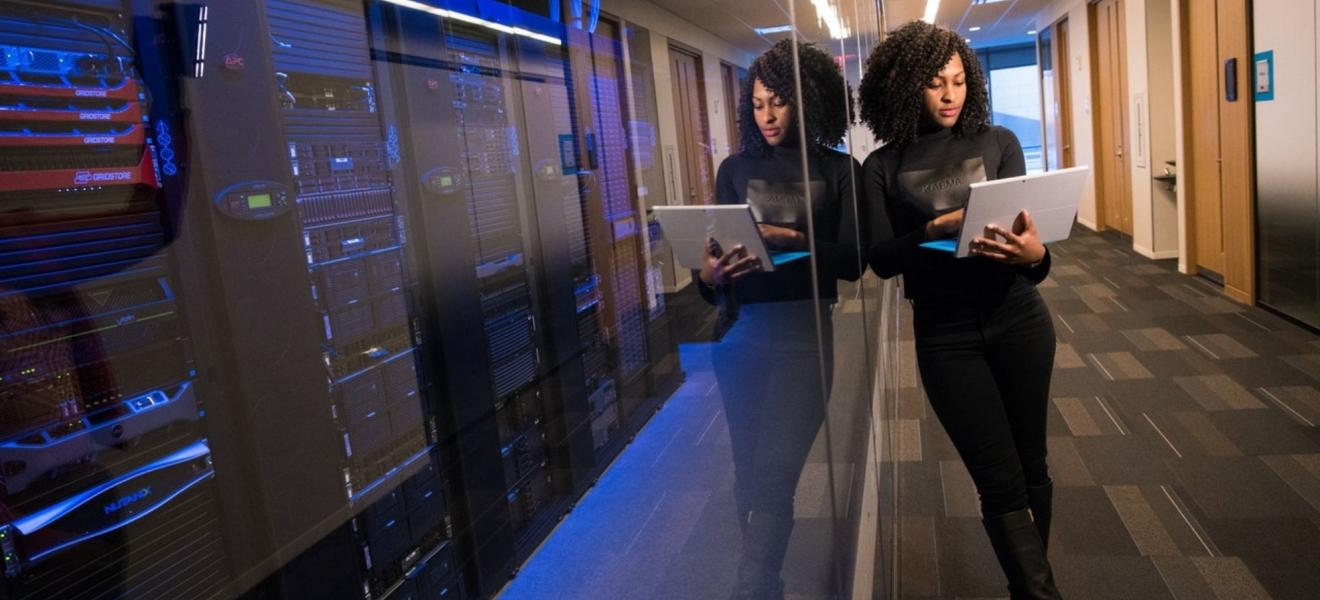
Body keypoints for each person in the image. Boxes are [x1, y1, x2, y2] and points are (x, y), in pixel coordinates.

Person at [858, 21, 1062, 599]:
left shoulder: (998, 142)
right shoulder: (883, 165)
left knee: (1033, 467)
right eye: (934, 84)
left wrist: (1036, 254)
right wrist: (935, 228)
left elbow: (1033, 260)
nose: (950, 95)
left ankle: (1027, 587)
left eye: (957, 81)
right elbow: (880, 258)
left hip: (1019, 317)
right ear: (903, 87)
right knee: (999, 481)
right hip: (946, 335)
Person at [694, 39, 861, 599]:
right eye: (759, 103)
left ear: (806, 101)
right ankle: (764, 585)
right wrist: (708, 278)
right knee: (749, 473)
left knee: (775, 477)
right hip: (740, 334)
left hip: (804, 335)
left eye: (779, 103)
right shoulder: (734, 169)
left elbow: (857, 261)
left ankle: (753, 587)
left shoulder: (839, 169)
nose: (767, 115)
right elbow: (713, 276)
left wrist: (795, 240)